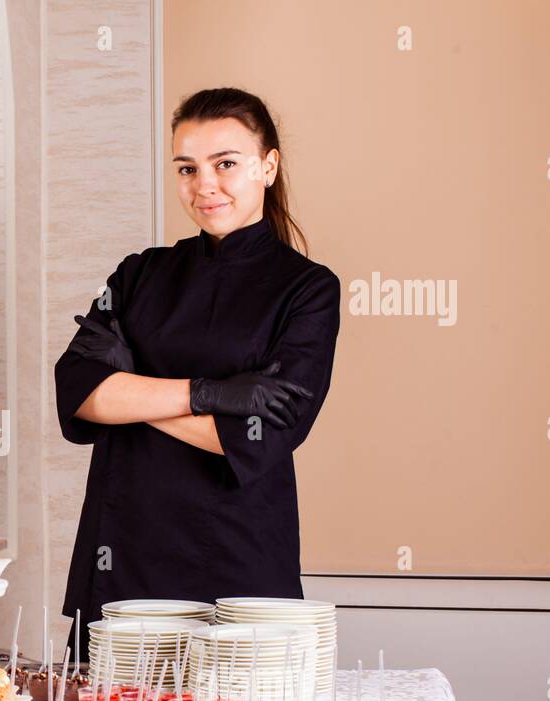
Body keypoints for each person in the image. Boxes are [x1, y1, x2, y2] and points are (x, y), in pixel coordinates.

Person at [54, 87, 341, 659]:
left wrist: (133, 391)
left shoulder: (308, 290)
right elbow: (79, 395)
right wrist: (213, 393)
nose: (204, 185)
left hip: (238, 569)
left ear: (268, 165)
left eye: (225, 164)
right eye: (187, 168)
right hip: (123, 560)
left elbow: (251, 440)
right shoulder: (139, 273)